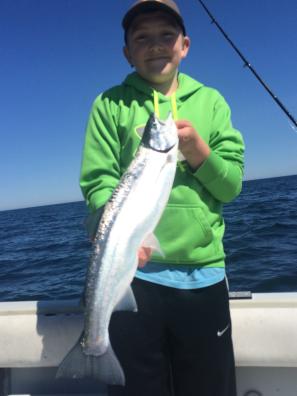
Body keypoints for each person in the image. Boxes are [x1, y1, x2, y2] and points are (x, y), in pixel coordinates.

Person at [80, 0, 245, 395]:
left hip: (202, 274)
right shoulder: (109, 104)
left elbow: (232, 185)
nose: (155, 45)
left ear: (184, 45)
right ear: (127, 52)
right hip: (133, 277)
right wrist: (116, 236)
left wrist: (198, 153)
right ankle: (95, 348)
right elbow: (99, 181)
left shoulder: (212, 102)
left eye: (166, 36)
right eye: (142, 37)